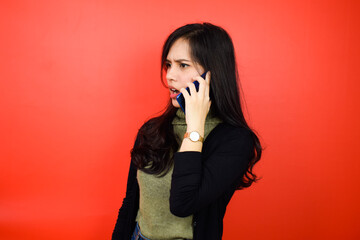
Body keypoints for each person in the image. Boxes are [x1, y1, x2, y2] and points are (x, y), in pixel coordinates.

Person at [112, 22, 262, 240]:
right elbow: (130, 203)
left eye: (182, 65)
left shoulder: (235, 141)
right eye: (168, 65)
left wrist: (195, 127)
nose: (170, 76)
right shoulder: (151, 130)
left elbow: (183, 203)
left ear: (213, 73)